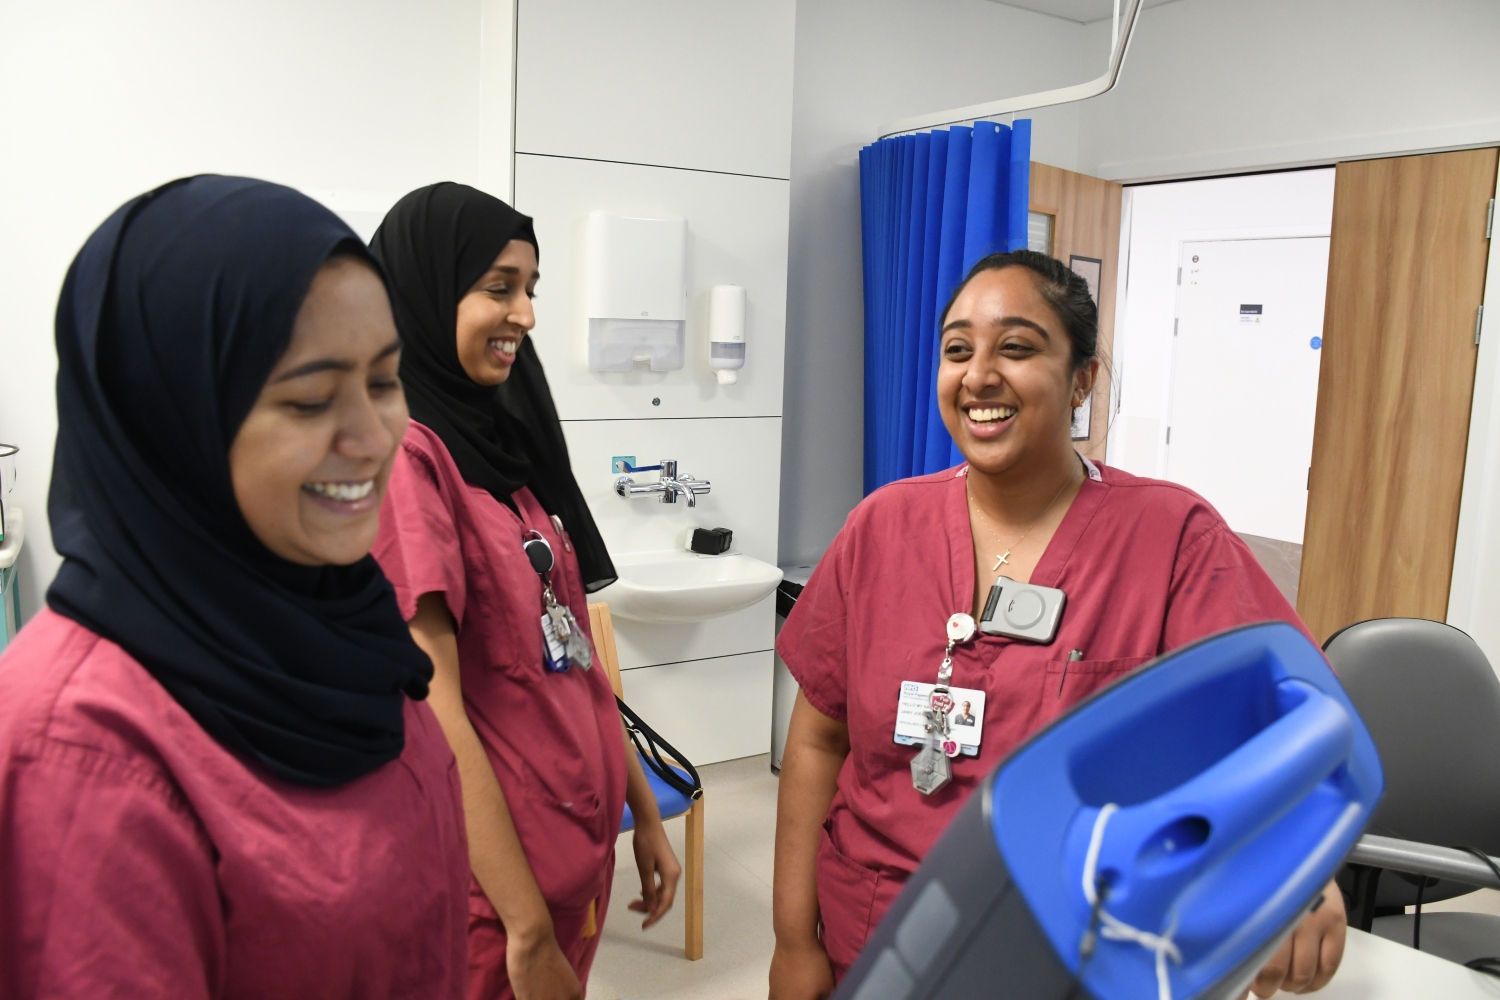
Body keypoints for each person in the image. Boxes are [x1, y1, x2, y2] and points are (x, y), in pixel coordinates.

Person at [770, 249, 1346, 1000]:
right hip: (877, 940)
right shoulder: (882, 526)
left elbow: (1285, 720)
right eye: (956, 350)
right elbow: (818, 737)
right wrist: (792, 942)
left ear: (1082, 379)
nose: (978, 375)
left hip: (1073, 955)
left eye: (1016, 346)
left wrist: (1294, 872)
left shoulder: (1171, 536)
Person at [0, 176, 468, 997]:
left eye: (386, 382)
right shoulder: (80, 750)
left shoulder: (340, 623)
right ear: (170, 417)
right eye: (312, 398)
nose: (370, 437)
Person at [369, 183, 680, 1000]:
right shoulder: (410, 464)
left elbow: (572, 652)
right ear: (429, 291)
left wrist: (641, 809)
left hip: (573, 853)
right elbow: (435, 714)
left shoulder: (506, 456)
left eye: (532, 290)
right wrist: (525, 926)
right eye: (499, 287)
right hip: (492, 902)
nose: (527, 316)